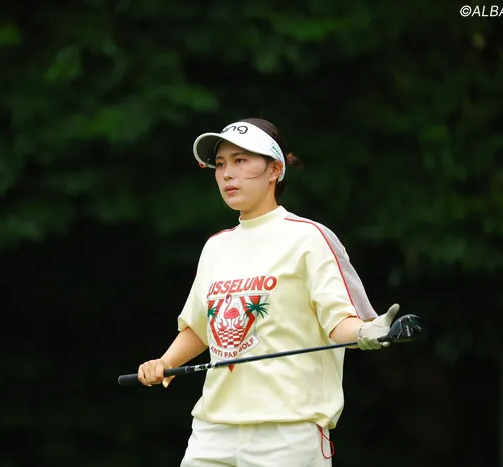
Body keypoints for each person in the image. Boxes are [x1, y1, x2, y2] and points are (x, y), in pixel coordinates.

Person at [136, 117, 400, 467]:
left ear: (275, 169)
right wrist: (165, 363)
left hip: (288, 432)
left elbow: (339, 323)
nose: (227, 174)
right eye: (220, 164)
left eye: (240, 161)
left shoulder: (309, 238)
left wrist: (368, 331)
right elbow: (201, 328)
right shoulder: (216, 247)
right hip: (212, 430)